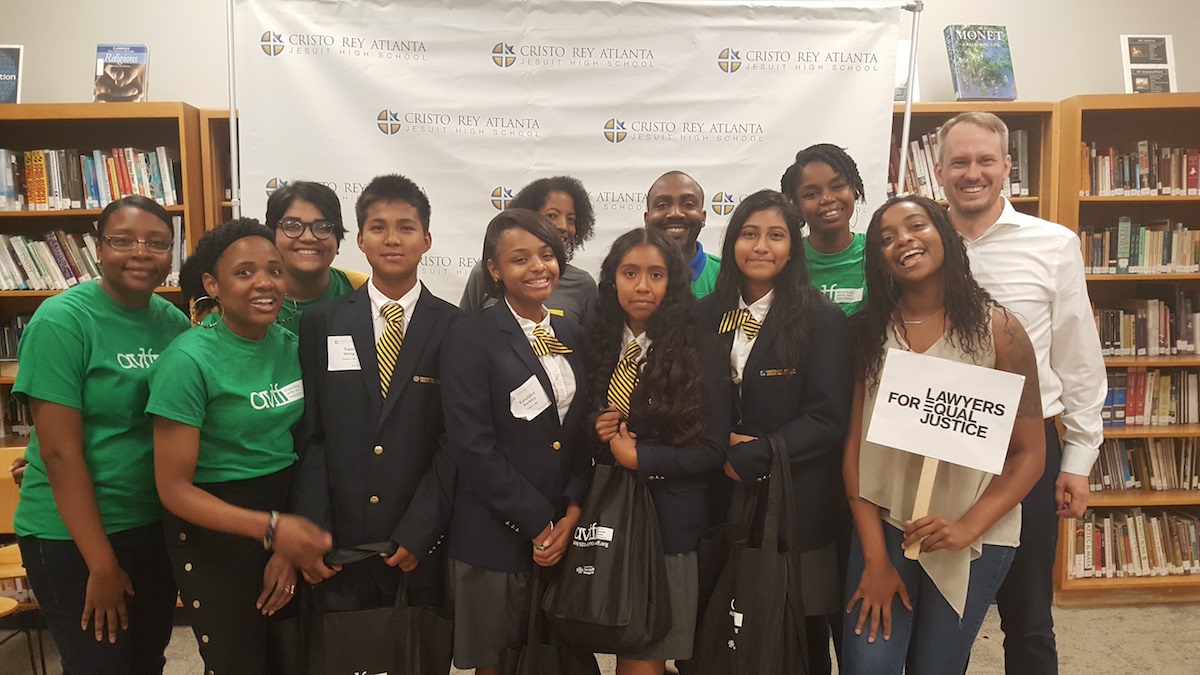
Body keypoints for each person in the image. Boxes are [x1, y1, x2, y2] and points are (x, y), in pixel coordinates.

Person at [842, 195, 1045, 673]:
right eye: (886, 238)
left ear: (946, 235)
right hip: (887, 526)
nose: (903, 241)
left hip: (972, 532)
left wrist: (967, 527)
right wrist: (874, 554)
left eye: (916, 226)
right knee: (868, 665)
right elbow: (855, 449)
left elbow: (1029, 454)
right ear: (878, 259)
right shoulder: (868, 333)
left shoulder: (1002, 329)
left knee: (938, 666)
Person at [934, 112, 1106, 674]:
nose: (973, 172)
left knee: (1028, 616)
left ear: (1009, 166)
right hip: (938, 441)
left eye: (986, 160)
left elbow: (1078, 357)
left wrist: (1079, 459)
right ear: (939, 170)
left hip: (1024, 451)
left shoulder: (1053, 244)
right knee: (941, 611)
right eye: (959, 161)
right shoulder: (917, 243)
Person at [13, 196, 189, 674]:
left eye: (157, 243)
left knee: (147, 661)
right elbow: (59, 452)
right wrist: (101, 565)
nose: (141, 252)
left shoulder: (171, 322)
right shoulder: (62, 320)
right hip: (73, 537)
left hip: (150, 523)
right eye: (123, 240)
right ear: (97, 246)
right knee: (100, 664)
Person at [148, 219, 332, 674]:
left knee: (292, 658)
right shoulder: (187, 361)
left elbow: (311, 444)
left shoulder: (293, 346)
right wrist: (271, 529)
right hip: (217, 529)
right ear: (213, 283)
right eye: (245, 272)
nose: (265, 283)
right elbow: (173, 489)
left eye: (274, 270)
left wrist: (287, 543)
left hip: (286, 515)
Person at [696, 189, 852, 675]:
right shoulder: (704, 315)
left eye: (776, 236)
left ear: (793, 247)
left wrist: (758, 454)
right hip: (715, 497)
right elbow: (687, 401)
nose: (760, 246)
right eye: (749, 234)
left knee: (797, 638)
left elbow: (828, 418)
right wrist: (718, 450)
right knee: (718, 625)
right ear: (733, 242)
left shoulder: (822, 319)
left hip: (797, 500)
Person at [291, 173, 462, 612]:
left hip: (417, 545)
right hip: (338, 543)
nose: (392, 239)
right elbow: (311, 434)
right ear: (361, 241)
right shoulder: (322, 322)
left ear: (426, 240)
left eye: (406, 227)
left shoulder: (455, 328)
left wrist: (422, 529)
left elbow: (454, 442)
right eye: (378, 227)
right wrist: (315, 529)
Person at [441, 209, 593, 674]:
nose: (538, 268)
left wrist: (571, 509)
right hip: (494, 535)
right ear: (494, 269)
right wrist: (539, 522)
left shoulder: (570, 331)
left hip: (561, 534)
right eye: (520, 259)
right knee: (498, 662)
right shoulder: (471, 336)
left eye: (547, 255)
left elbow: (580, 433)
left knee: (556, 659)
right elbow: (473, 446)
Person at [589, 228, 731, 674]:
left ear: (673, 283)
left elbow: (712, 449)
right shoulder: (595, 341)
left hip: (667, 526)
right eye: (630, 273)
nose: (643, 286)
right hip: (602, 518)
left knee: (645, 654)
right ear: (613, 279)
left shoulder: (702, 349)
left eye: (656, 274)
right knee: (593, 633)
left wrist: (642, 459)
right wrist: (593, 427)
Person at [460, 175, 598, 323]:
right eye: (551, 216)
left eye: (571, 219)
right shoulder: (484, 273)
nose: (563, 226)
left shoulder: (582, 284)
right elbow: (465, 332)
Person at [265, 180, 369, 335]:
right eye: (293, 226)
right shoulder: (252, 296)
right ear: (271, 237)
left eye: (322, 228)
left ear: (338, 241)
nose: (308, 237)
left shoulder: (363, 290)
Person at [781, 143, 869, 317]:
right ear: (796, 205)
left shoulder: (879, 254)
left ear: (854, 189)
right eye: (811, 194)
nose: (827, 199)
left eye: (838, 187)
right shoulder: (785, 260)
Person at [643, 171, 720, 299]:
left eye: (688, 205)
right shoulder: (629, 274)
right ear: (647, 219)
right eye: (662, 205)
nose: (675, 213)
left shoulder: (726, 276)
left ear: (703, 217)